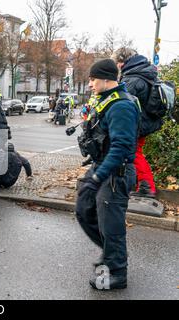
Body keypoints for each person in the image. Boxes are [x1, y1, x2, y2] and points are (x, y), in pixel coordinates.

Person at [75, 59, 140, 290]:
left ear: (105, 79)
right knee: (83, 209)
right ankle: (111, 253)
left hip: (115, 173)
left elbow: (121, 148)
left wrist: (97, 177)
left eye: (92, 79)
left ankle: (117, 272)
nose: (90, 84)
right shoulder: (107, 101)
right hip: (103, 167)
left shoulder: (121, 106)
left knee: (111, 226)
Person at [112, 48, 158, 198]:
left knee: (134, 153)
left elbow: (123, 102)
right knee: (135, 152)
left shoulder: (132, 78)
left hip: (137, 124)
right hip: (144, 121)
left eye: (117, 62)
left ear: (122, 62)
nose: (117, 66)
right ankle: (141, 184)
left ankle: (147, 186)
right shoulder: (142, 72)